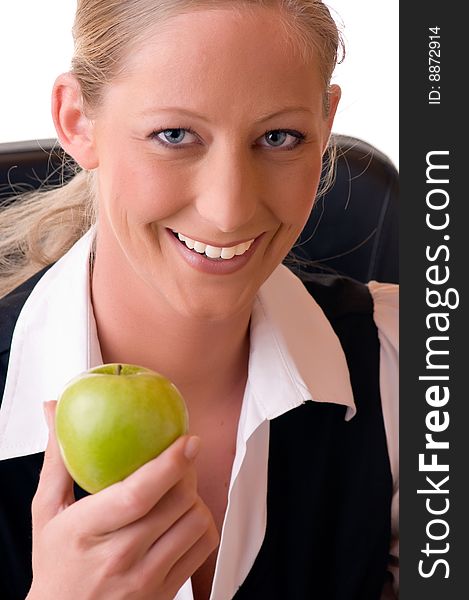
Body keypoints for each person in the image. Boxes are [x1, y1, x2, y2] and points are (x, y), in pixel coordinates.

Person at [0, 1, 399, 599]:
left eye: (279, 137)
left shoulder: (403, 365)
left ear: (327, 122)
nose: (229, 208)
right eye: (175, 135)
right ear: (77, 119)